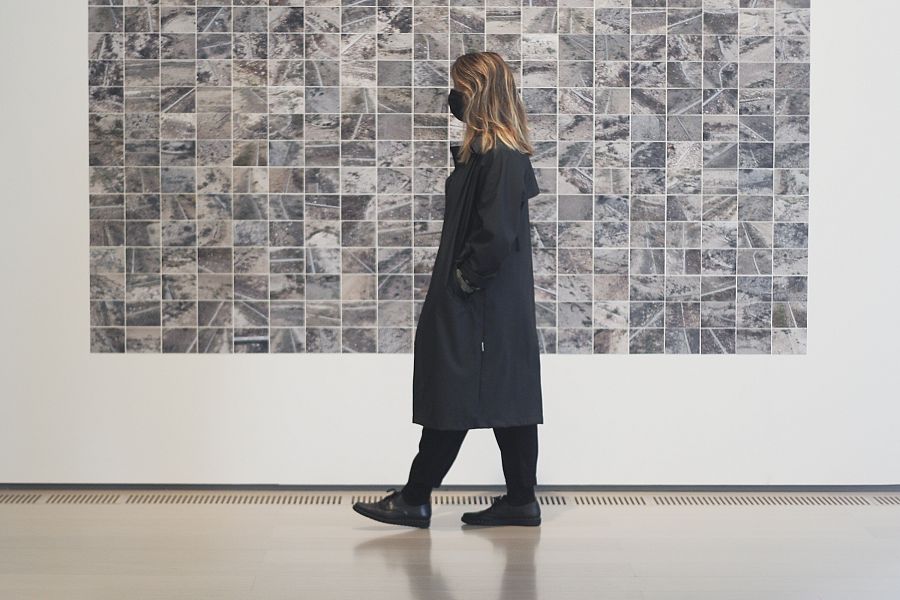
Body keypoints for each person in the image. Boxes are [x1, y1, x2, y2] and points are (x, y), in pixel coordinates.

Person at [353, 52, 544, 528]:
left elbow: (495, 236)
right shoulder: (489, 155)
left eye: (458, 88)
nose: (452, 97)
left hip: (480, 301)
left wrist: (464, 280)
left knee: (456, 393)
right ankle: (520, 499)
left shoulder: (500, 158)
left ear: (477, 94)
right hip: (492, 303)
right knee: (507, 395)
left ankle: (416, 496)